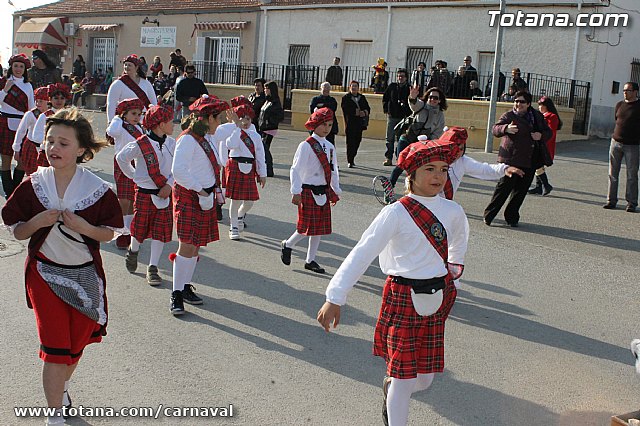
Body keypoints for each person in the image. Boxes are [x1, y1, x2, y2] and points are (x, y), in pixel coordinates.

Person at [317, 140, 469, 426]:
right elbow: (361, 253)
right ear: (411, 174)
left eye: (443, 170)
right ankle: (395, 403)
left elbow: (459, 240)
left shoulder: (453, 211)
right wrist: (335, 296)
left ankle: (392, 389)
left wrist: (454, 270)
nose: (438, 176)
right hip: (402, 296)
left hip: (438, 297)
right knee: (403, 377)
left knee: (424, 379)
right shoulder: (395, 212)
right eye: (429, 169)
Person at [1, 108, 123, 426]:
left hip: (83, 274)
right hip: (43, 273)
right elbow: (16, 230)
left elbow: (109, 233)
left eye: (63, 143)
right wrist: (36, 221)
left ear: (81, 150)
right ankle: (54, 416)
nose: (53, 148)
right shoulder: (33, 185)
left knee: (75, 345)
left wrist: (83, 226)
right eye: (49, 140)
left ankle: (62, 389)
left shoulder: (97, 189)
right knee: (56, 348)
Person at [170, 95, 230, 315]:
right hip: (190, 196)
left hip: (203, 196)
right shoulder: (187, 139)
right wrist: (200, 189)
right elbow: (178, 171)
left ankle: (185, 287)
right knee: (186, 245)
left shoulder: (206, 136)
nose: (220, 122)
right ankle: (176, 294)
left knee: (196, 245)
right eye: (219, 118)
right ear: (209, 118)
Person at [116, 104, 175, 285]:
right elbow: (121, 158)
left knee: (160, 232)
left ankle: (153, 267)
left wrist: (170, 185)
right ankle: (133, 250)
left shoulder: (172, 143)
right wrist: (135, 176)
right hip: (144, 193)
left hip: (164, 193)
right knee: (139, 229)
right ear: (160, 124)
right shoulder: (141, 144)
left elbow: (177, 168)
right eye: (170, 121)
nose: (173, 124)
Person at [280, 107, 341, 274]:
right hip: (307, 190)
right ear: (314, 124)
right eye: (323, 125)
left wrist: (336, 189)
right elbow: (296, 169)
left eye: (329, 125)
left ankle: (310, 260)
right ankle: (288, 244)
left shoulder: (329, 147)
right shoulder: (306, 145)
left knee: (318, 228)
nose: (327, 128)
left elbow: (333, 169)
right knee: (305, 227)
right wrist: (296, 191)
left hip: (323, 190)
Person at [483, 91, 551, 227]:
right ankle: (489, 215)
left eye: (521, 102)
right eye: (516, 101)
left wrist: (541, 135)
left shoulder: (536, 116)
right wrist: (506, 128)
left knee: (520, 192)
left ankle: (512, 217)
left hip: (530, 159)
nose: (518, 104)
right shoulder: (509, 115)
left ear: (528, 104)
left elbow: (548, 132)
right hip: (511, 160)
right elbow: (495, 129)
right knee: (503, 189)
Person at [427, 127, 524, 200]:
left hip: (444, 206)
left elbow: (483, 169)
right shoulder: (431, 159)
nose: (457, 152)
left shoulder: (462, 161)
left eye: (461, 149)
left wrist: (504, 169)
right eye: (453, 148)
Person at [389, 86, 447, 191]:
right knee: (401, 165)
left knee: (416, 169)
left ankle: (412, 192)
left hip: (420, 146)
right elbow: (414, 104)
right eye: (430, 97)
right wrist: (412, 96)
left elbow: (437, 134)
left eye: (435, 98)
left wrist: (427, 142)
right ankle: (389, 188)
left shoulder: (440, 115)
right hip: (406, 140)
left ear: (440, 100)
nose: (432, 100)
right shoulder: (422, 106)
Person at [106, 98, 145, 250]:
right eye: (133, 113)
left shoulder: (139, 128)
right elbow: (111, 131)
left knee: (131, 199)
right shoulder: (120, 126)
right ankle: (119, 231)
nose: (137, 117)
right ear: (124, 114)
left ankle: (127, 231)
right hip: (122, 163)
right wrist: (117, 117)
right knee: (123, 200)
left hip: (136, 163)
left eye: (139, 114)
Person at [224, 102, 267, 240]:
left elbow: (260, 155)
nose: (245, 121)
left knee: (249, 201)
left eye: (248, 119)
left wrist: (262, 173)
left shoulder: (255, 136)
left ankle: (240, 216)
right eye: (242, 118)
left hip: (249, 167)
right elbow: (230, 145)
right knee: (235, 200)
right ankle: (234, 226)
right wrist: (236, 127)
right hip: (235, 165)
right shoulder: (234, 132)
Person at [0, 54, 35, 198]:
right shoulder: (3, 82)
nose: (18, 69)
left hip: (23, 123)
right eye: (16, 66)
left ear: (25, 69)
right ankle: (10, 194)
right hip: (5, 122)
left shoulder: (28, 85)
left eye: (21, 66)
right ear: (11, 67)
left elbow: (31, 107)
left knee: (21, 159)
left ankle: (15, 190)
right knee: (6, 160)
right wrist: (5, 90)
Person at [604, 81, 640, 212]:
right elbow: (617, 120)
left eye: (628, 90)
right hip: (616, 143)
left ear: (635, 92)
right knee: (612, 173)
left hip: (632, 145)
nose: (625, 92)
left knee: (631, 175)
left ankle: (631, 202)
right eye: (624, 90)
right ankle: (611, 200)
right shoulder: (619, 105)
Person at [32, 84, 72, 170]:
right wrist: (51, 141)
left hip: (64, 153)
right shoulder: (44, 116)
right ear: (50, 99)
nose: (59, 101)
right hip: (47, 153)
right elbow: (36, 136)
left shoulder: (70, 115)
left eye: (62, 98)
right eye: (56, 98)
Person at [106, 54, 157, 123]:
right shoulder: (118, 84)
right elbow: (111, 104)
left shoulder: (145, 83)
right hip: (125, 122)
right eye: (125, 65)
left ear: (136, 67)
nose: (126, 67)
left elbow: (153, 102)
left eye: (129, 65)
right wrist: (111, 122)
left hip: (144, 121)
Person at [529, 96, 563, 196]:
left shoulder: (552, 117)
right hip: (539, 143)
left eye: (541, 105)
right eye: (539, 105)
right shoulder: (541, 116)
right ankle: (539, 186)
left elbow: (550, 133)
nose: (539, 107)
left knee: (537, 164)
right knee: (538, 164)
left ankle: (546, 184)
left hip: (545, 144)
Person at [12, 86, 49, 176]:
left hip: (46, 147)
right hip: (31, 146)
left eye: (41, 101)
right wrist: (16, 149)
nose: (37, 103)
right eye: (36, 100)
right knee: (31, 172)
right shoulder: (30, 114)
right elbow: (21, 131)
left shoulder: (52, 114)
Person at [382, 69, 411, 166]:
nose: (400, 78)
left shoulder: (408, 88)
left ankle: (399, 158)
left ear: (406, 78)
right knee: (389, 138)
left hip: (404, 117)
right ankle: (388, 158)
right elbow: (385, 98)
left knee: (401, 140)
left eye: (402, 76)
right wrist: (386, 109)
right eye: (399, 76)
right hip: (392, 116)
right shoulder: (392, 87)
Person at [340, 80, 370, 168]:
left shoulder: (362, 97)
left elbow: (368, 108)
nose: (354, 88)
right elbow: (345, 109)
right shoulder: (346, 98)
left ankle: (353, 156)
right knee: (350, 143)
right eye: (352, 86)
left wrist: (364, 112)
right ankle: (350, 160)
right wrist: (355, 112)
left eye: (355, 86)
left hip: (359, 124)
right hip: (350, 124)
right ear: (349, 87)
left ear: (358, 88)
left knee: (357, 141)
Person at [258, 81, 285, 177]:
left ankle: (269, 169)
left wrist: (269, 122)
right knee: (264, 148)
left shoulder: (275, 102)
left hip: (270, 128)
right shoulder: (267, 100)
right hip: (263, 128)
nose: (265, 90)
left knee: (265, 148)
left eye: (267, 89)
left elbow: (280, 116)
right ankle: (265, 168)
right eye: (265, 88)